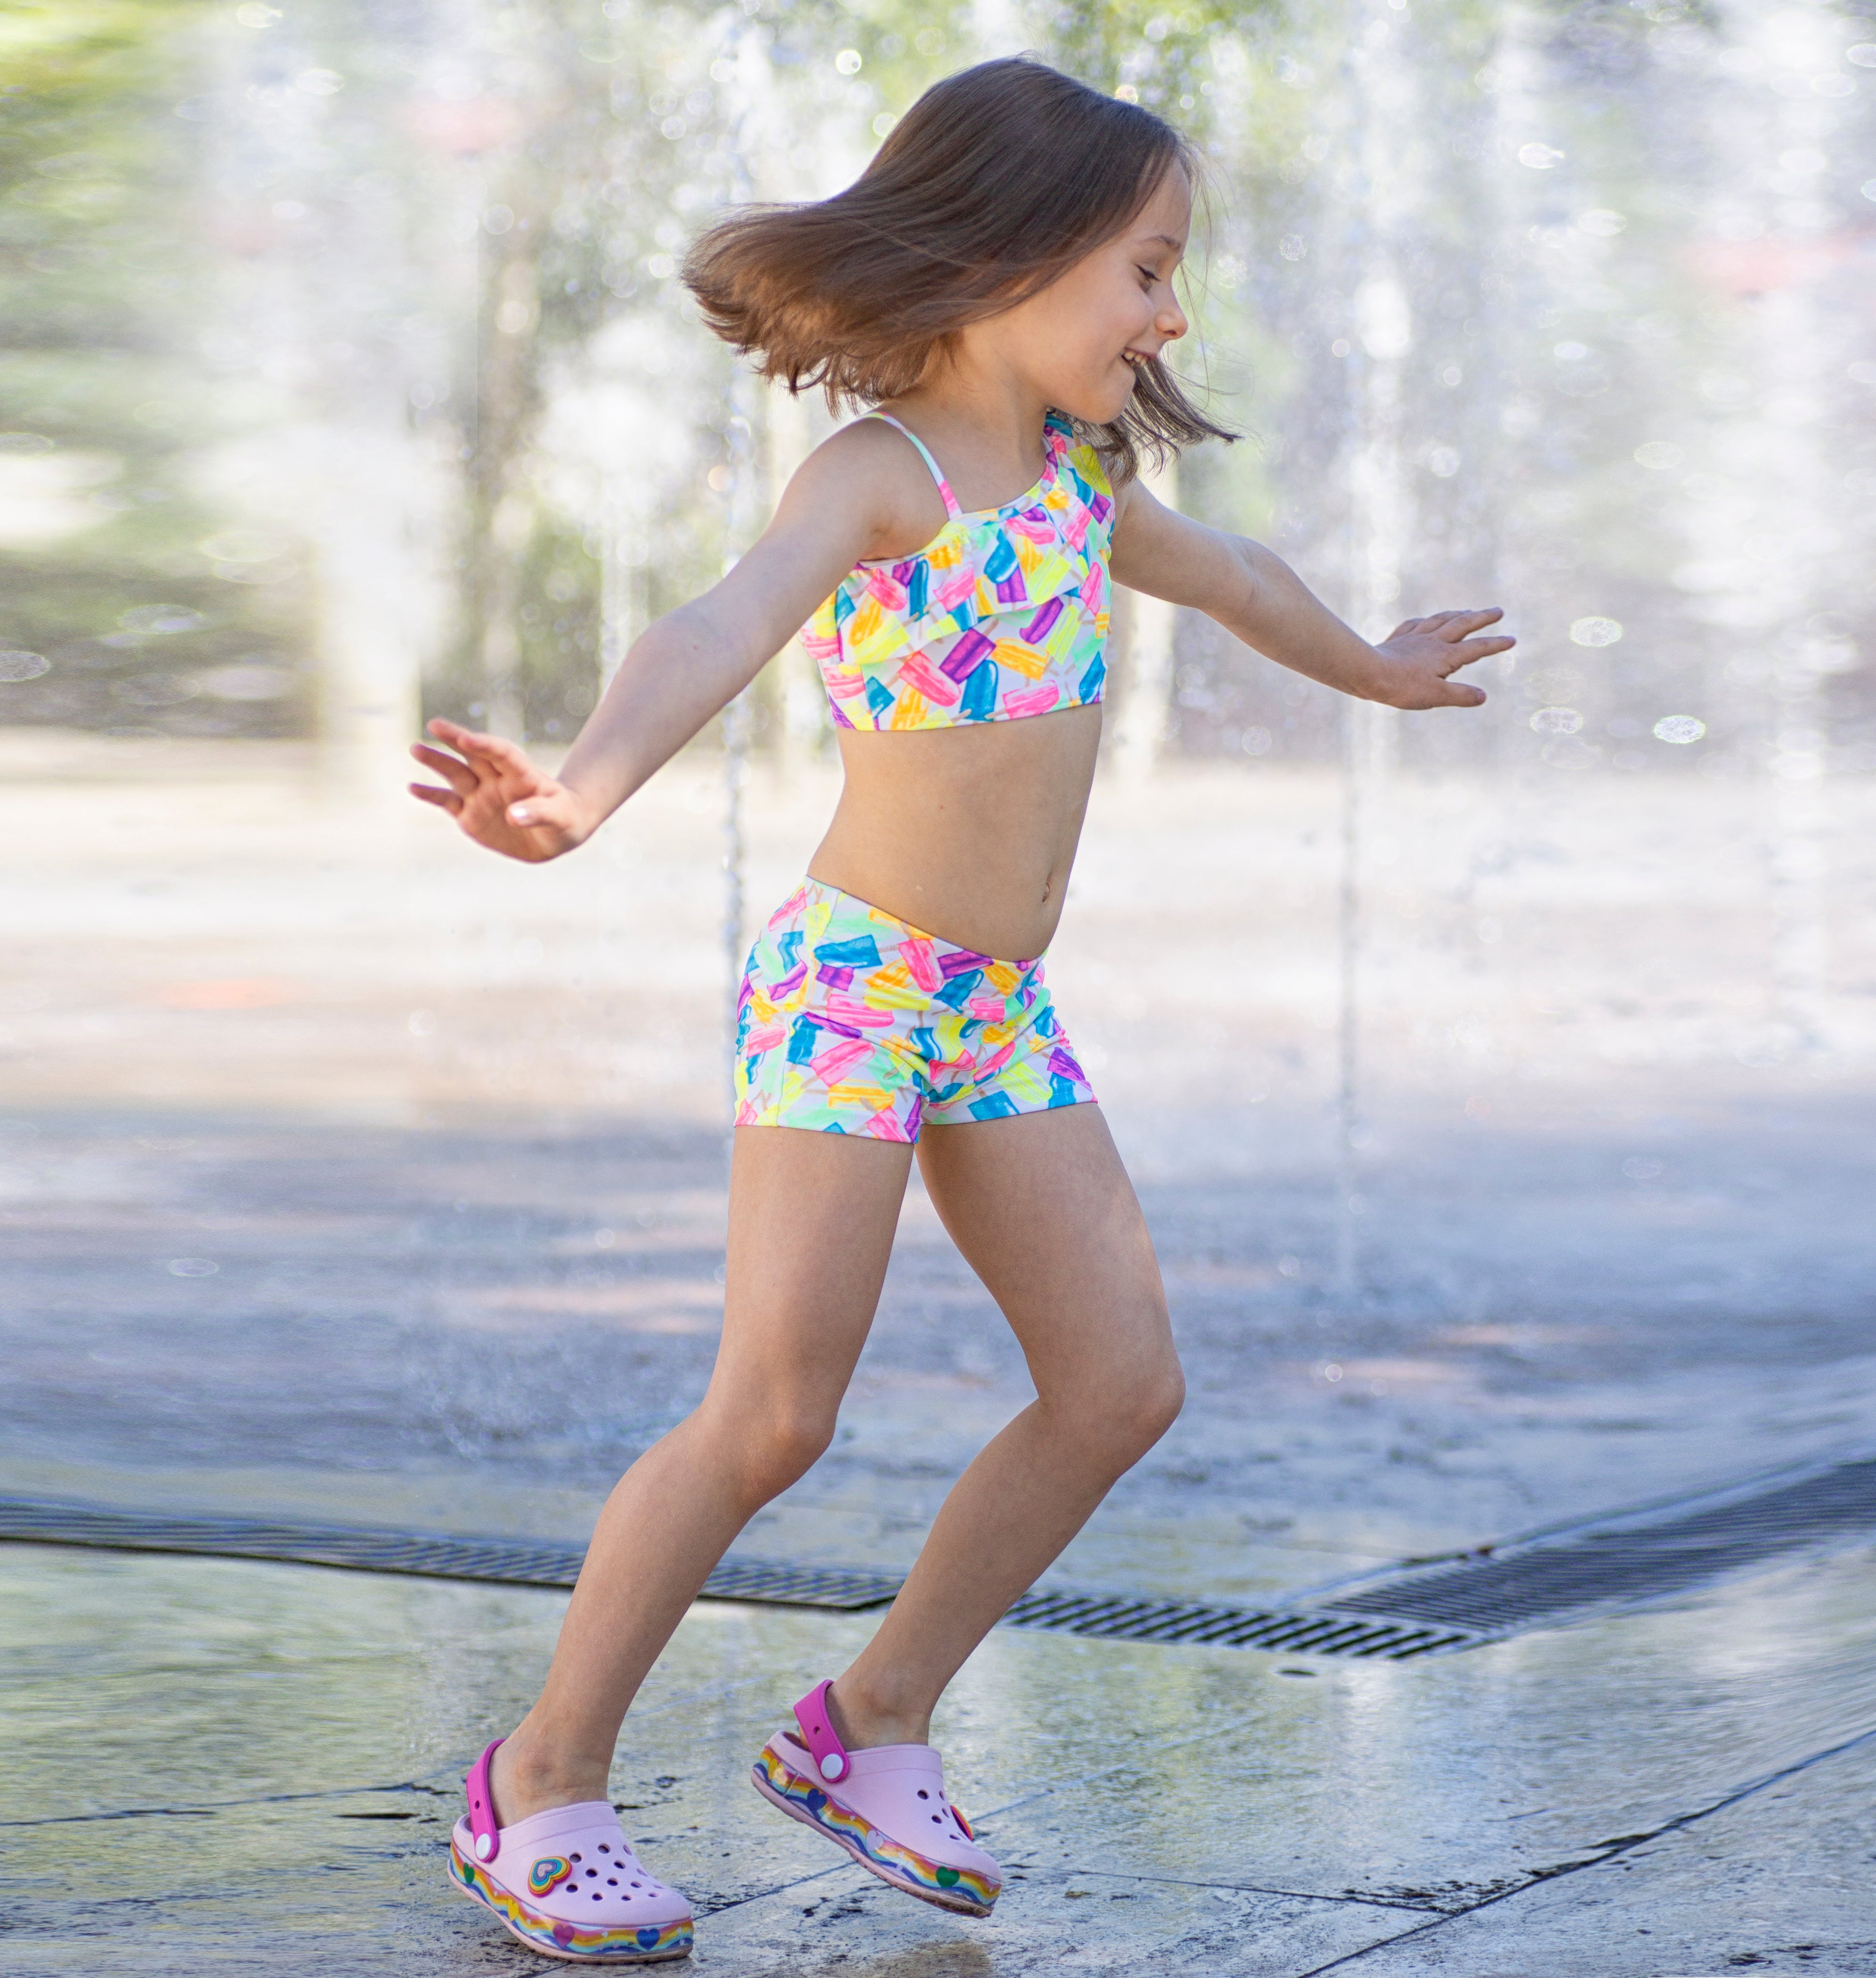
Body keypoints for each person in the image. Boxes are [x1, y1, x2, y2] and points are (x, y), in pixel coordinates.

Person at [410, 55, 1511, 1965]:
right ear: (1010, 251)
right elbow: (717, 625)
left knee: (1120, 1388)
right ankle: (545, 1778)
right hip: (854, 988)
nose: (1172, 313)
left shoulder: (1086, 477)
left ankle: (870, 1724)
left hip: (995, 1009)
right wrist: (580, 793)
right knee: (771, 1418)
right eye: (1148, 270)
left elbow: (1237, 575)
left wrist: (1379, 672)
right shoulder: (881, 475)